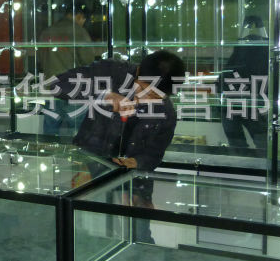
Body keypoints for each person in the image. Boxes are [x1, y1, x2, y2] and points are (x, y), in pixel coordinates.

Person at [55, 50, 186, 171]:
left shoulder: (166, 113)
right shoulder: (114, 71)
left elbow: (154, 154)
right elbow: (58, 84)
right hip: (87, 163)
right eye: (142, 88)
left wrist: (137, 162)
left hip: (128, 178)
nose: (143, 98)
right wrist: (104, 95)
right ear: (138, 71)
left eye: (154, 97)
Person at [39, 0, 104, 136]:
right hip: (74, 89)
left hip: (50, 88)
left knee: (50, 132)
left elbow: (40, 59)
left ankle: (47, 150)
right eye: (84, 20)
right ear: (79, 16)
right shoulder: (79, 32)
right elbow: (88, 61)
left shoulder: (47, 31)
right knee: (77, 132)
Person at [220, 15, 269, 151]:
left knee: (238, 145)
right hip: (252, 105)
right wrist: (260, 27)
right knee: (263, 145)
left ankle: (243, 161)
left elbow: (221, 81)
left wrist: (246, 28)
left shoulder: (237, 58)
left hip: (235, 105)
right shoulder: (263, 59)